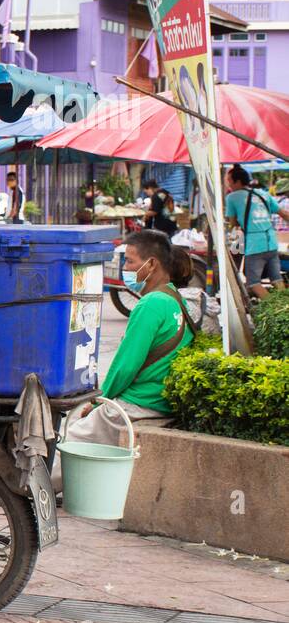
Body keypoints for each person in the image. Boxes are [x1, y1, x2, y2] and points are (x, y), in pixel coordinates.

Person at [66, 231, 196, 445]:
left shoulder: (151, 304)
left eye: (129, 261)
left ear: (151, 264)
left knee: (69, 441)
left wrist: (99, 401)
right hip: (161, 401)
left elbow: (125, 367)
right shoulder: (174, 299)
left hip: (140, 403)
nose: (125, 268)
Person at [225, 165, 289, 288]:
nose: (229, 185)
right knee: (276, 280)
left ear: (237, 181)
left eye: (229, 181)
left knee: (253, 285)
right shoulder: (263, 194)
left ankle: (275, 306)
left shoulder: (232, 197)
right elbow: (284, 214)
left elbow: (233, 224)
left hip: (255, 244)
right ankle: (284, 306)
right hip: (271, 242)